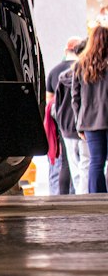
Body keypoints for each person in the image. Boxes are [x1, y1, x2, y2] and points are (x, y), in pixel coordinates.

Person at [71, 24, 108, 193]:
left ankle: (97, 198)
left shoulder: (80, 65)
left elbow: (75, 98)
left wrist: (79, 124)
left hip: (89, 121)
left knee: (96, 161)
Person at [47, 36, 86, 194]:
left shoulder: (56, 72)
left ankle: (63, 196)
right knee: (87, 162)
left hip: (64, 123)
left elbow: (50, 101)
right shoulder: (87, 70)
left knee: (66, 163)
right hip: (85, 122)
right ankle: (85, 194)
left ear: (66, 50)